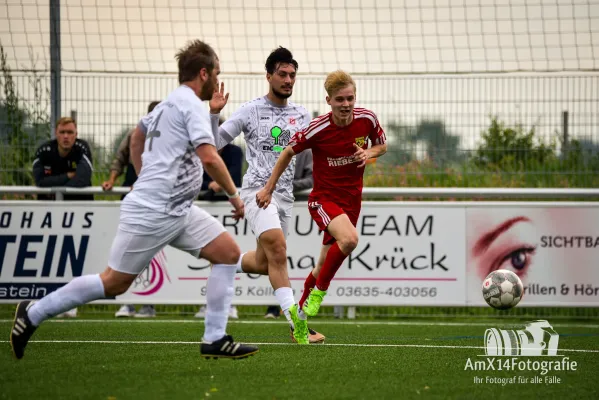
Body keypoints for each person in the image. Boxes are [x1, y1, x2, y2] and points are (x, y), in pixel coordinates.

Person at [10, 39, 258, 360]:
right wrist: (235, 197)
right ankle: (32, 313)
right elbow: (209, 157)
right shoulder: (190, 105)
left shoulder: (168, 104)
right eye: (217, 72)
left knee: (227, 253)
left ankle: (215, 338)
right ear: (203, 73)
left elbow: (137, 136)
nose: (218, 78)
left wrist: (144, 174)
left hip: (177, 209)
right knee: (114, 283)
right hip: (153, 211)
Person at [209, 47, 322, 344]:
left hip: (286, 196)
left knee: (265, 262)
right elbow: (215, 142)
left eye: (292, 75)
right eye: (282, 74)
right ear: (269, 75)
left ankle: (229, 260)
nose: (288, 80)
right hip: (258, 193)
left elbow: (315, 150)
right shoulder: (250, 110)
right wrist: (213, 114)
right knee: (279, 249)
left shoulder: (301, 114)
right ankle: (297, 324)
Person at [256, 70, 388, 318]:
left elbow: (382, 145)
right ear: (329, 101)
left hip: (351, 201)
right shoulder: (318, 129)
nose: (346, 104)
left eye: (350, 98)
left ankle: (301, 319)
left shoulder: (367, 119)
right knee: (349, 240)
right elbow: (286, 152)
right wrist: (268, 188)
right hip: (323, 200)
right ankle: (320, 293)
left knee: (322, 264)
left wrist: (368, 153)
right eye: (340, 99)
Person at [103, 101, 162, 319]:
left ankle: (148, 303)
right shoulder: (135, 134)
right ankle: (127, 303)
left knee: (149, 254)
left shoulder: (170, 136)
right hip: (133, 202)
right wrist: (111, 180)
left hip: (156, 203)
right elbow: (119, 159)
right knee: (124, 253)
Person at [32, 116, 94, 318]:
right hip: (49, 212)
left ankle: (71, 303)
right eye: (62, 132)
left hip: (79, 212)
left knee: (75, 255)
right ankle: (49, 301)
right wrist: (66, 177)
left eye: (70, 133)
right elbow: (40, 182)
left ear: (76, 135)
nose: (66, 137)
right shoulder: (44, 151)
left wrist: (56, 183)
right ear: (56, 134)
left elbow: (83, 180)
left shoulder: (82, 149)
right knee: (49, 254)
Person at [195, 116, 244, 319]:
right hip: (203, 208)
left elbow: (232, 175)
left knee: (227, 256)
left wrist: (222, 184)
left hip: (231, 210)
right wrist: (212, 185)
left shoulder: (235, 152)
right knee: (218, 257)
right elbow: (199, 176)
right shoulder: (200, 151)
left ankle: (225, 306)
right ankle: (214, 307)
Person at [264, 148, 313, 319]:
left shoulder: (306, 152)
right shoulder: (271, 147)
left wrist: (281, 184)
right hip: (269, 208)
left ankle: (291, 310)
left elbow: (311, 179)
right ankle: (275, 309)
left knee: (279, 260)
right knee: (274, 259)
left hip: (298, 211)